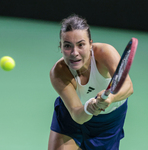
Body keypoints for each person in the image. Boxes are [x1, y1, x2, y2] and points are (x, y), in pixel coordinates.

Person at [48, 14, 133, 150]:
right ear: (61, 46)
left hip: (108, 122)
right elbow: (77, 115)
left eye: (81, 44)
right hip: (72, 115)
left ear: (90, 44)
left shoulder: (105, 53)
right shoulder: (58, 72)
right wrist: (89, 107)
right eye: (68, 46)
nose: (74, 53)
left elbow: (128, 86)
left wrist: (110, 98)